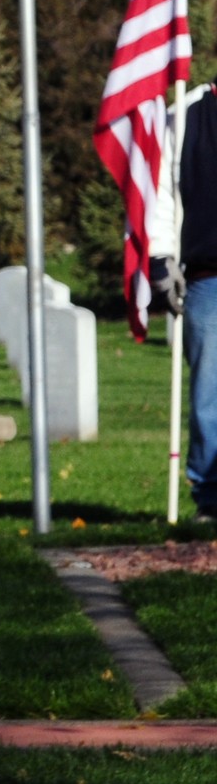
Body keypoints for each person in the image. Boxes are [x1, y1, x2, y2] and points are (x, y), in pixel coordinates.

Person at [149, 81, 217, 524]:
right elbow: (162, 188)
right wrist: (159, 256)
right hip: (210, 278)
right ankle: (211, 498)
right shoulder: (189, 110)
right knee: (209, 396)